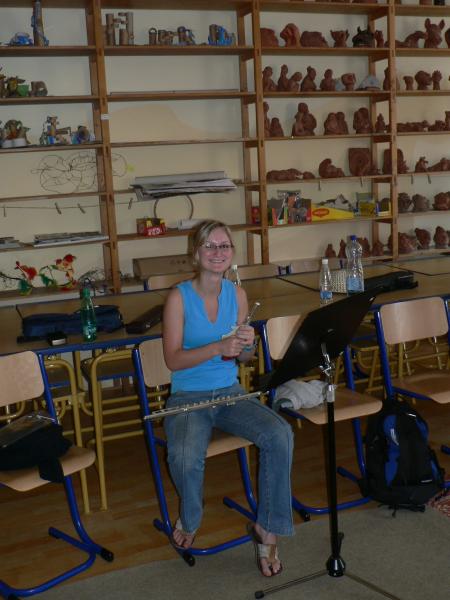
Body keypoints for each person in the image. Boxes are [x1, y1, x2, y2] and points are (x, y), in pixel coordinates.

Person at [162, 219, 294, 577]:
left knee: (279, 434)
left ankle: (267, 528)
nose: (217, 252)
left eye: (224, 246)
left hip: (230, 393)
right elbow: (172, 360)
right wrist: (217, 347)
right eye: (209, 245)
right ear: (196, 253)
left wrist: (247, 345)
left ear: (232, 253)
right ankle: (190, 518)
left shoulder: (237, 295)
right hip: (187, 397)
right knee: (185, 456)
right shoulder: (178, 298)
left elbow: (243, 358)